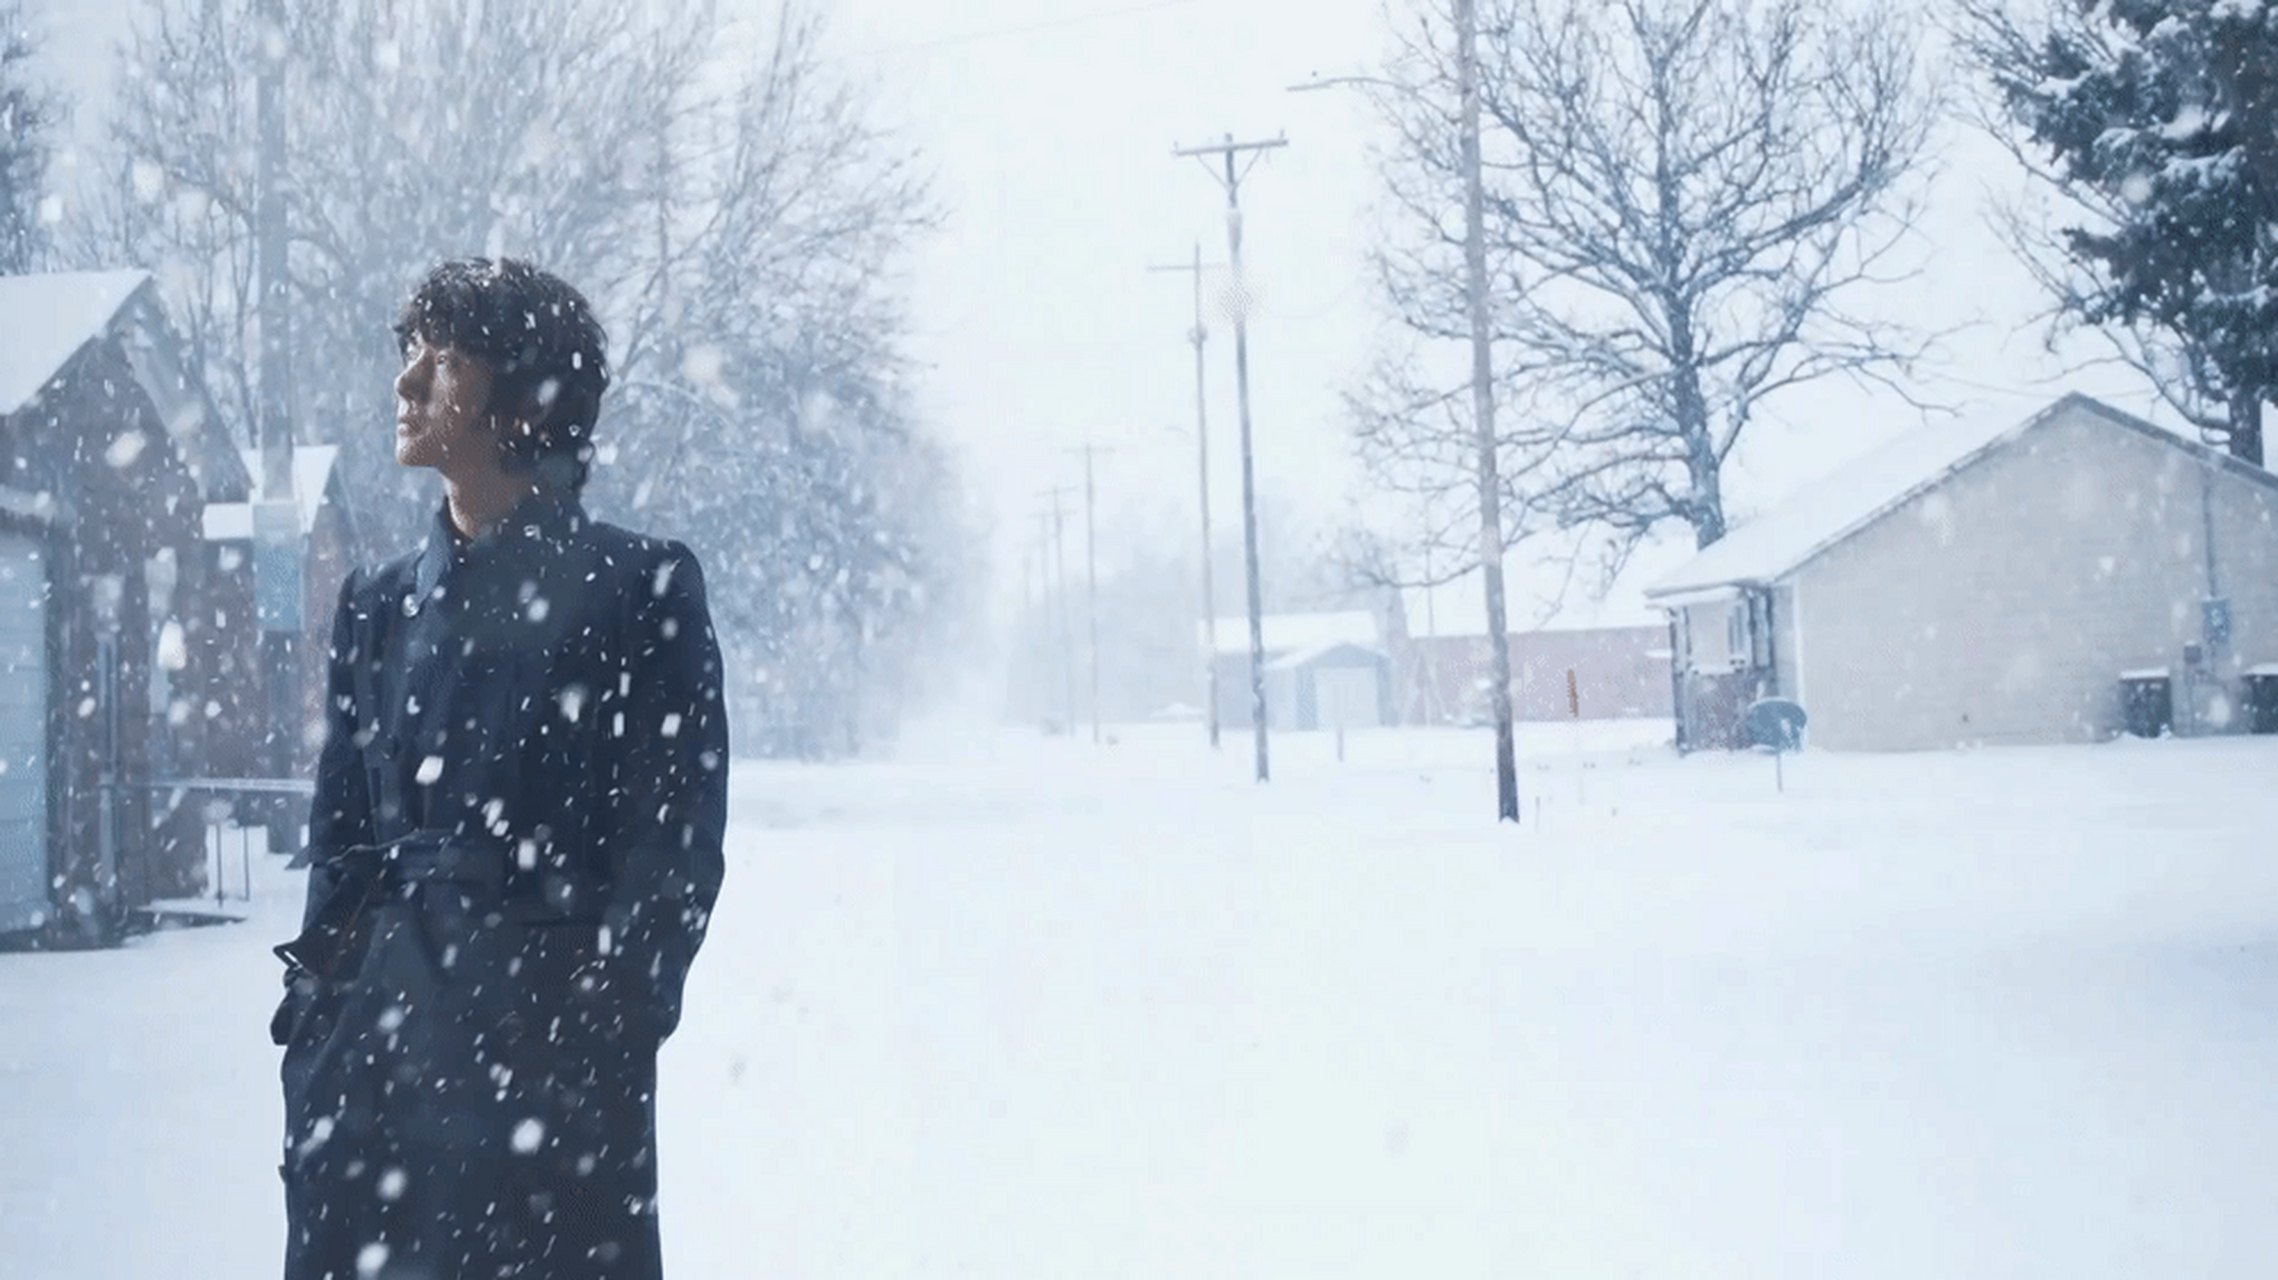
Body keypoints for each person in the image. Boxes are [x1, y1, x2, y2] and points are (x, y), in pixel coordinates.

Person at [271, 258, 728, 1280]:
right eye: (406, 354)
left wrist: (592, 1034)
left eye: (442, 359)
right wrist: (317, 1024)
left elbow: (674, 855)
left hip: (545, 1104)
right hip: (370, 1086)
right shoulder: (376, 605)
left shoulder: (638, 587)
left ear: (525, 396)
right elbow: (339, 850)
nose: (406, 383)